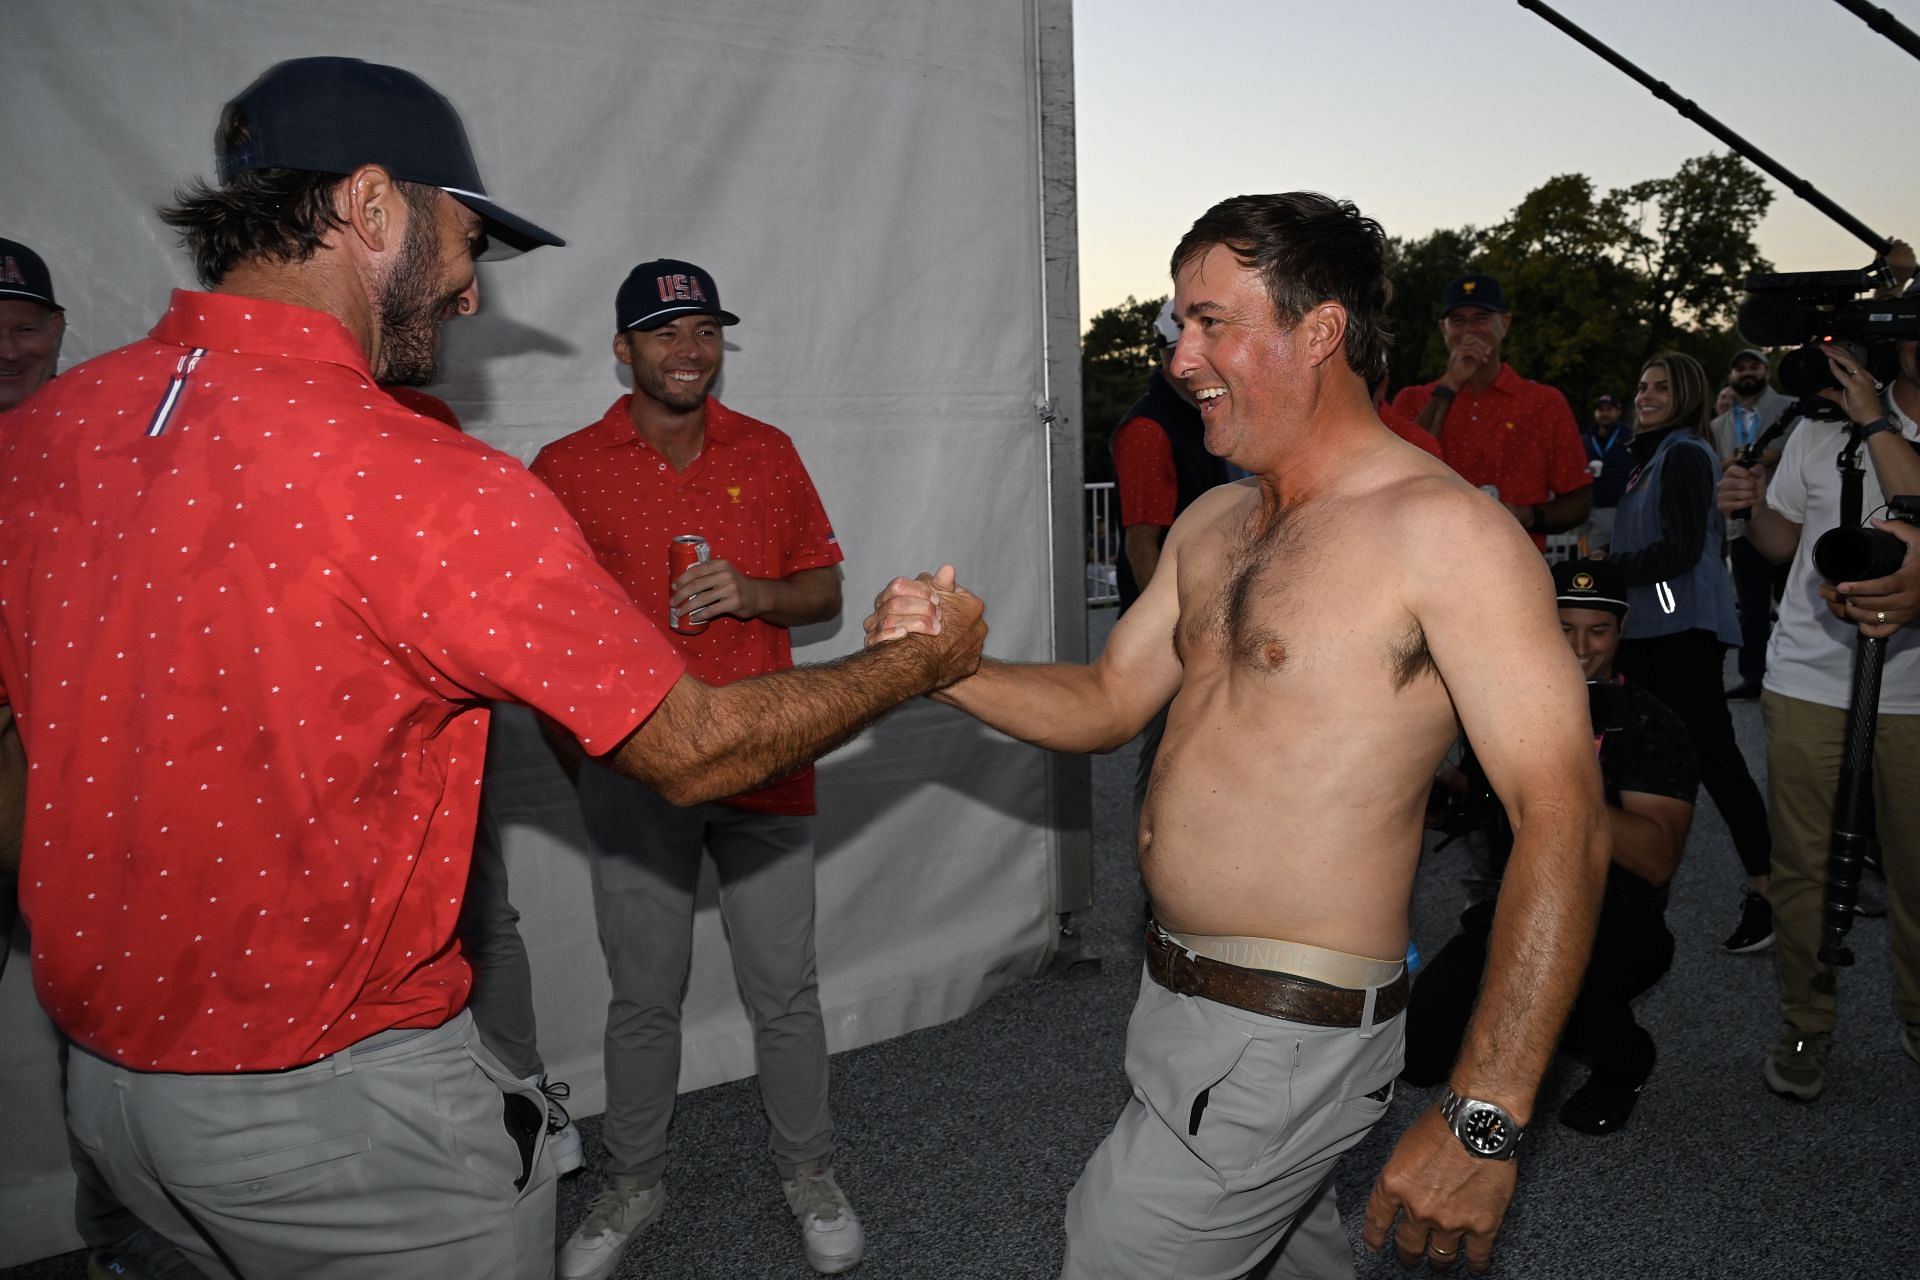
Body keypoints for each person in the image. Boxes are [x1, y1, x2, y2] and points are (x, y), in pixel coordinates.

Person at [0, 57, 983, 1280]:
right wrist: (914, 663)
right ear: (373, 207)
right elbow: (690, 747)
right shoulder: (426, 471)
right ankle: (631, 1174)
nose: (469, 295)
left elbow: (25, 746)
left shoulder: (47, 433)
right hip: (341, 1120)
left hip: (109, 1093)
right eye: (466, 238)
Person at [871, 192, 1608, 1278]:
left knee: (1110, 1248)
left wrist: (1484, 1113)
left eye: (1213, 322)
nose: (1180, 355)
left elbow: (1565, 816)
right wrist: (950, 668)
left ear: (1320, 332)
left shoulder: (1446, 533)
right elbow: (1109, 699)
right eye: (1182, 323)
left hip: (1286, 1036)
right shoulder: (1220, 521)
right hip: (1175, 1000)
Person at [530, 259, 861, 1279]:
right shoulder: (566, 465)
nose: (690, 350)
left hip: (761, 762)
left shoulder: (767, 452)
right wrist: (592, 759)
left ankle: (809, 1168)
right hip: (636, 777)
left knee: (785, 989)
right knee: (641, 994)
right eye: (666, 333)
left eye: (706, 330)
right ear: (624, 349)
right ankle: (635, 1177)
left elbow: (825, 591)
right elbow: (538, 635)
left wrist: (757, 593)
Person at [0, 241, 207, 1280]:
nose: (8, 344)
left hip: (80, 800)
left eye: (25, 321)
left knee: (103, 1023)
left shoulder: (101, 443)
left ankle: (123, 1240)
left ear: (58, 327)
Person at [1405, 559, 1695, 1136]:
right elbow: (1472, 807)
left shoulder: (1649, 723)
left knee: (1565, 983)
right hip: (1519, 907)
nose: (1581, 647)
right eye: (1563, 629)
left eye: (1598, 630)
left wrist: (1565, 778)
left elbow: (1658, 857)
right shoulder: (1511, 710)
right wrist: (1412, 789)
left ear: (1622, 630)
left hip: (1617, 918)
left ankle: (1624, 1056)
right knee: (1419, 1059)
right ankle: (1549, 1021)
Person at [1719, 339, 1920, 1101]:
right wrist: (1750, 508)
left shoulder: (1866, 421)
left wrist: (1875, 420)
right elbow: (1785, 544)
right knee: (1801, 865)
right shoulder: (1817, 427)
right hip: (1809, 674)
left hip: (1913, 687)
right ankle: (1806, 1019)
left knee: (1914, 865)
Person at [1604, 352, 1775, 956]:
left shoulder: (1682, 454)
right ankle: (1626, 891)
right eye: (1642, 385)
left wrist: (1603, 573)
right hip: (1653, 631)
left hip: (1680, 629)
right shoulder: (1648, 458)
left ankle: (1768, 888)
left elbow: (1677, 551)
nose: (1645, 395)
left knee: (1715, 761)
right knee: (1650, 760)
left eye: (1660, 387)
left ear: (1686, 395)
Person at [1109, 298, 1231, 817]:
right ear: (1164, 356)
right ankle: (1154, 886)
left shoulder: (1194, 414)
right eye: (1182, 348)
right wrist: (1180, 635)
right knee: (1166, 761)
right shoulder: (1149, 430)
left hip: (1197, 622)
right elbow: (1143, 548)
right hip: (1173, 633)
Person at [1390, 273, 1593, 551]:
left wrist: (1529, 515)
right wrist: (1451, 383)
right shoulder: (1412, 399)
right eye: (1457, 320)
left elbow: (1579, 501)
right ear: (1443, 329)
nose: (1469, 330)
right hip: (1428, 565)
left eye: (1481, 318)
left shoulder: (1545, 403)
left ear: (1505, 324)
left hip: (1516, 568)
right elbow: (1401, 475)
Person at [1711, 348, 1799, 700]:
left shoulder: (1792, 408)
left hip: (1789, 520)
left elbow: (1797, 455)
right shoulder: (1718, 424)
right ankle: (1753, 676)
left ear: (1766, 370)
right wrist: (1729, 461)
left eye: (1753, 366)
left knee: (1793, 605)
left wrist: (1769, 454)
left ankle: (1793, 674)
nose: (1746, 372)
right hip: (1742, 529)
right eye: (1739, 367)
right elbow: (1716, 467)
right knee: (1751, 609)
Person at [1581, 393, 1633, 553]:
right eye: (1600, 410)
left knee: (1596, 549)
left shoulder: (1629, 437)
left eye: (1609, 409)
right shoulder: (1586, 439)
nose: (1604, 413)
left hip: (1613, 506)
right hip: (1587, 505)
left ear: (1618, 412)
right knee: (1582, 549)